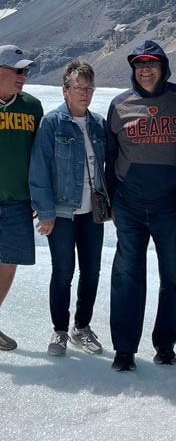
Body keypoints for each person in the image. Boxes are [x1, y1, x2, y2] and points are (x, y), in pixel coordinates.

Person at [106, 39, 176, 371]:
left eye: (151, 63)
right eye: (139, 64)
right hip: (130, 206)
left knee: (174, 276)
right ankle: (124, 350)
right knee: (127, 276)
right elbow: (110, 156)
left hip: (171, 205)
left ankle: (165, 344)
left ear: (163, 67)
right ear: (133, 69)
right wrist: (112, 198)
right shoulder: (120, 105)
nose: (145, 69)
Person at [29, 61, 107, 357]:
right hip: (61, 213)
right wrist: (45, 211)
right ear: (65, 91)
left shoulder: (98, 124)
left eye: (89, 88)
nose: (85, 94)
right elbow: (39, 170)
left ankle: (81, 328)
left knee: (92, 271)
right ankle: (60, 330)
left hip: (93, 213)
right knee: (63, 272)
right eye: (79, 88)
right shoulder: (52, 123)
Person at [0, 44, 42, 351]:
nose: (24, 76)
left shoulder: (32, 107)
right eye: (19, 71)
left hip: (18, 200)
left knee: (10, 261)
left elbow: (39, 155)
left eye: (26, 71)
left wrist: (38, 197)